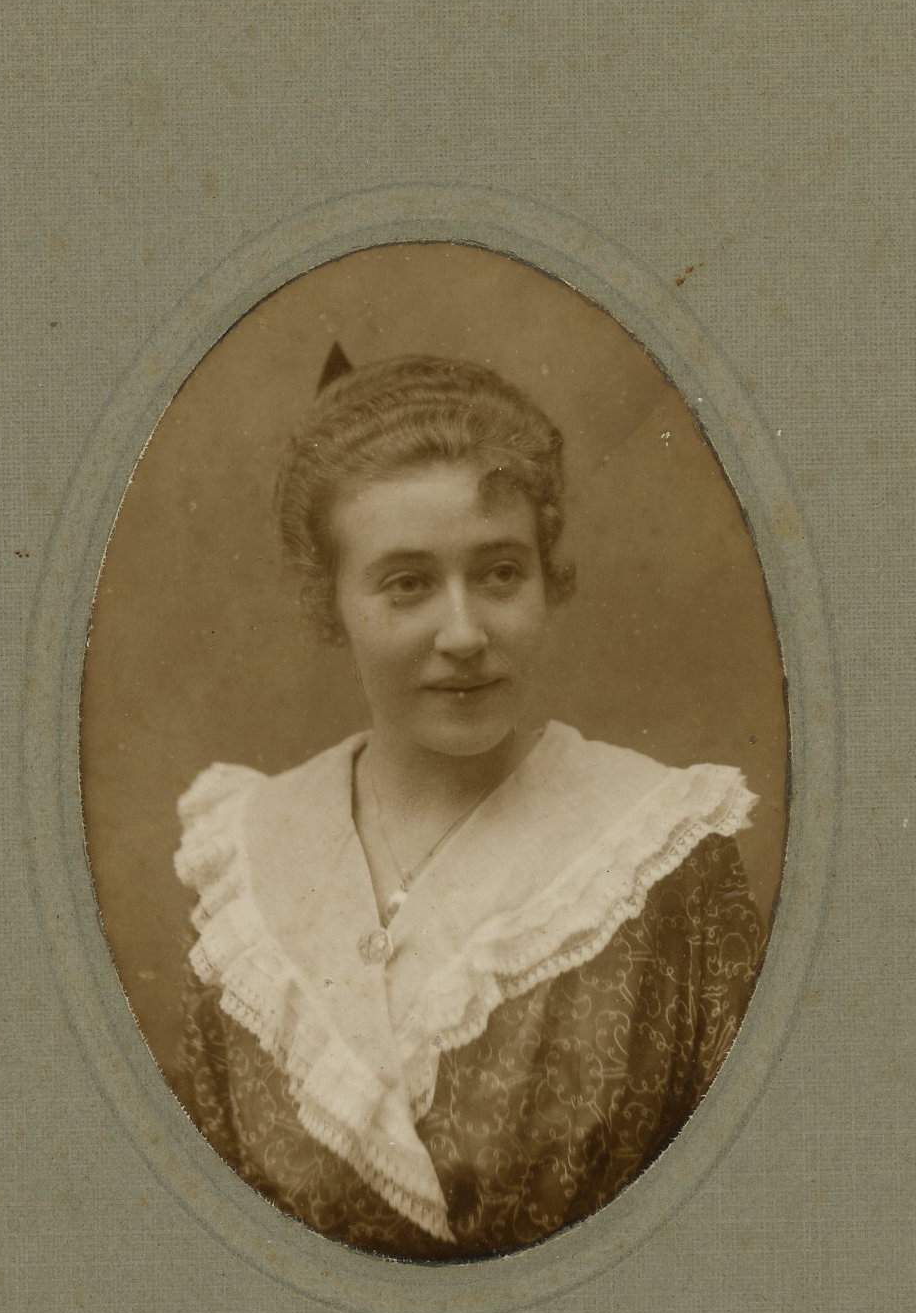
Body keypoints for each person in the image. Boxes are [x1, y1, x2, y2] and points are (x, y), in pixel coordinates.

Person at [174, 353, 765, 1262]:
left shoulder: (661, 854)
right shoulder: (246, 861)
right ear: (332, 604)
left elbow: (745, 1207)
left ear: (548, 578)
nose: (464, 634)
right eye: (407, 584)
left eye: (499, 573)